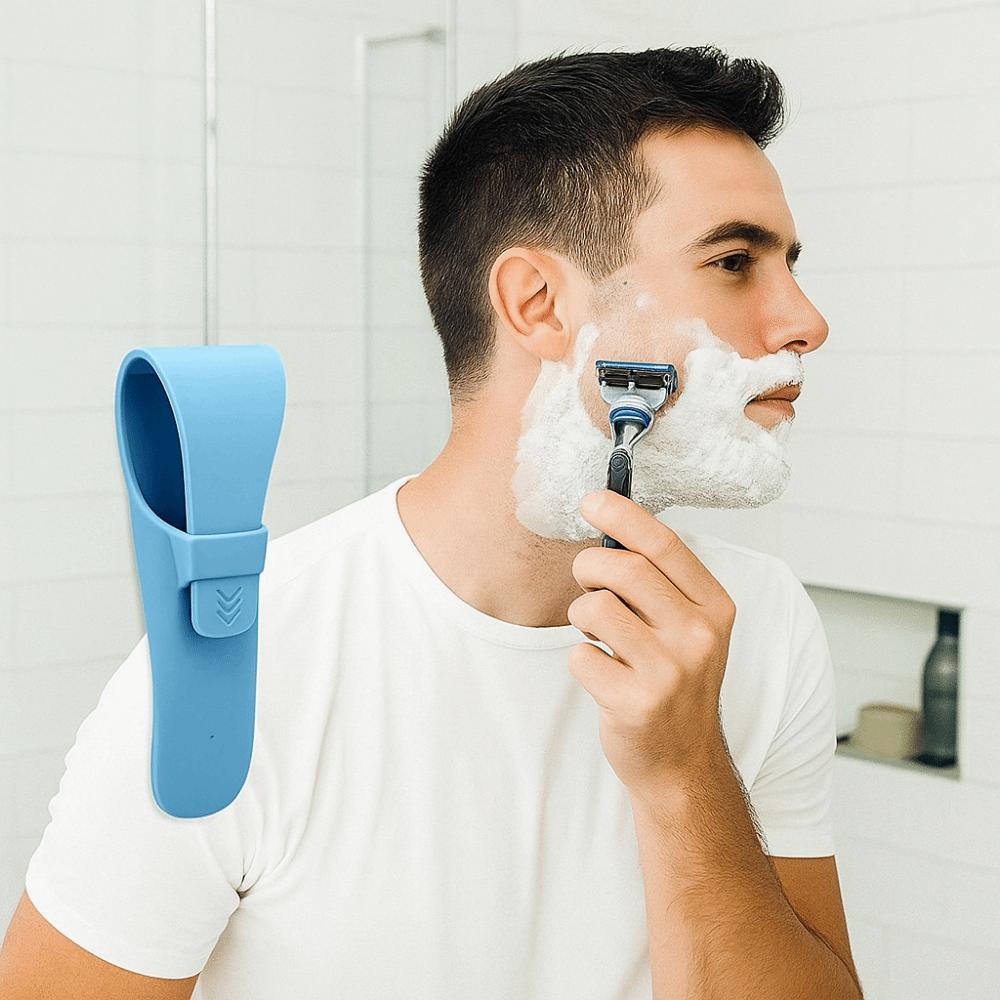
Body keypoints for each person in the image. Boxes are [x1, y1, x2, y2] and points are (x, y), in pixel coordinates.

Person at [1, 45, 863, 1000]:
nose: (806, 320)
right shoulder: (245, 671)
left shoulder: (763, 621)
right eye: (735, 262)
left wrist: (687, 776)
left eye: (788, 265)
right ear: (537, 305)